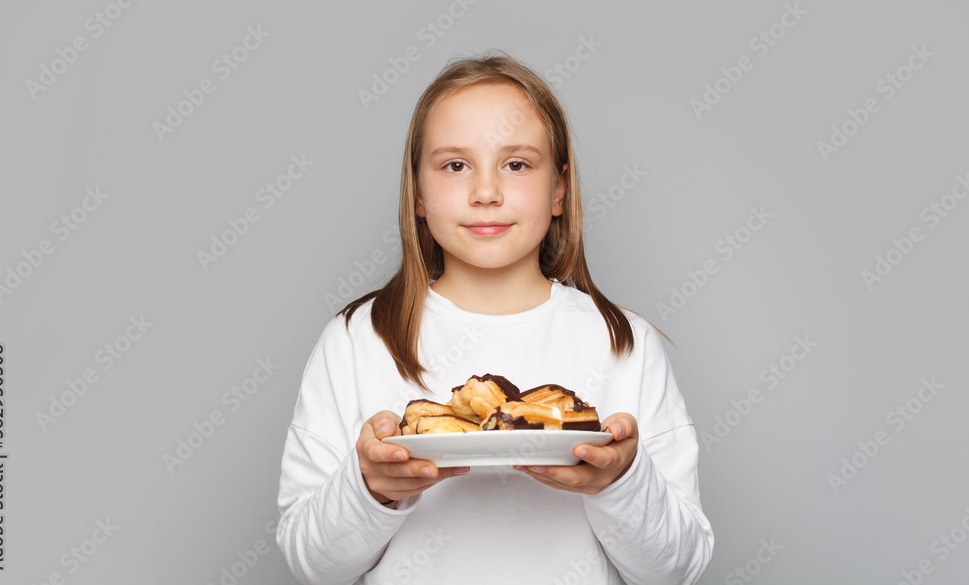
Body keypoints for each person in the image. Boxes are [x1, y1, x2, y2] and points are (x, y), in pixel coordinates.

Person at [276, 52, 714, 584]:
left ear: (558, 189)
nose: (486, 193)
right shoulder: (357, 340)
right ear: (417, 191)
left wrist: (621, 482)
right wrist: (368, 487)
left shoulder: (623, 343)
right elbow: (311, 566)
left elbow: (679, 570)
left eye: (517, 164)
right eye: (455, 165)